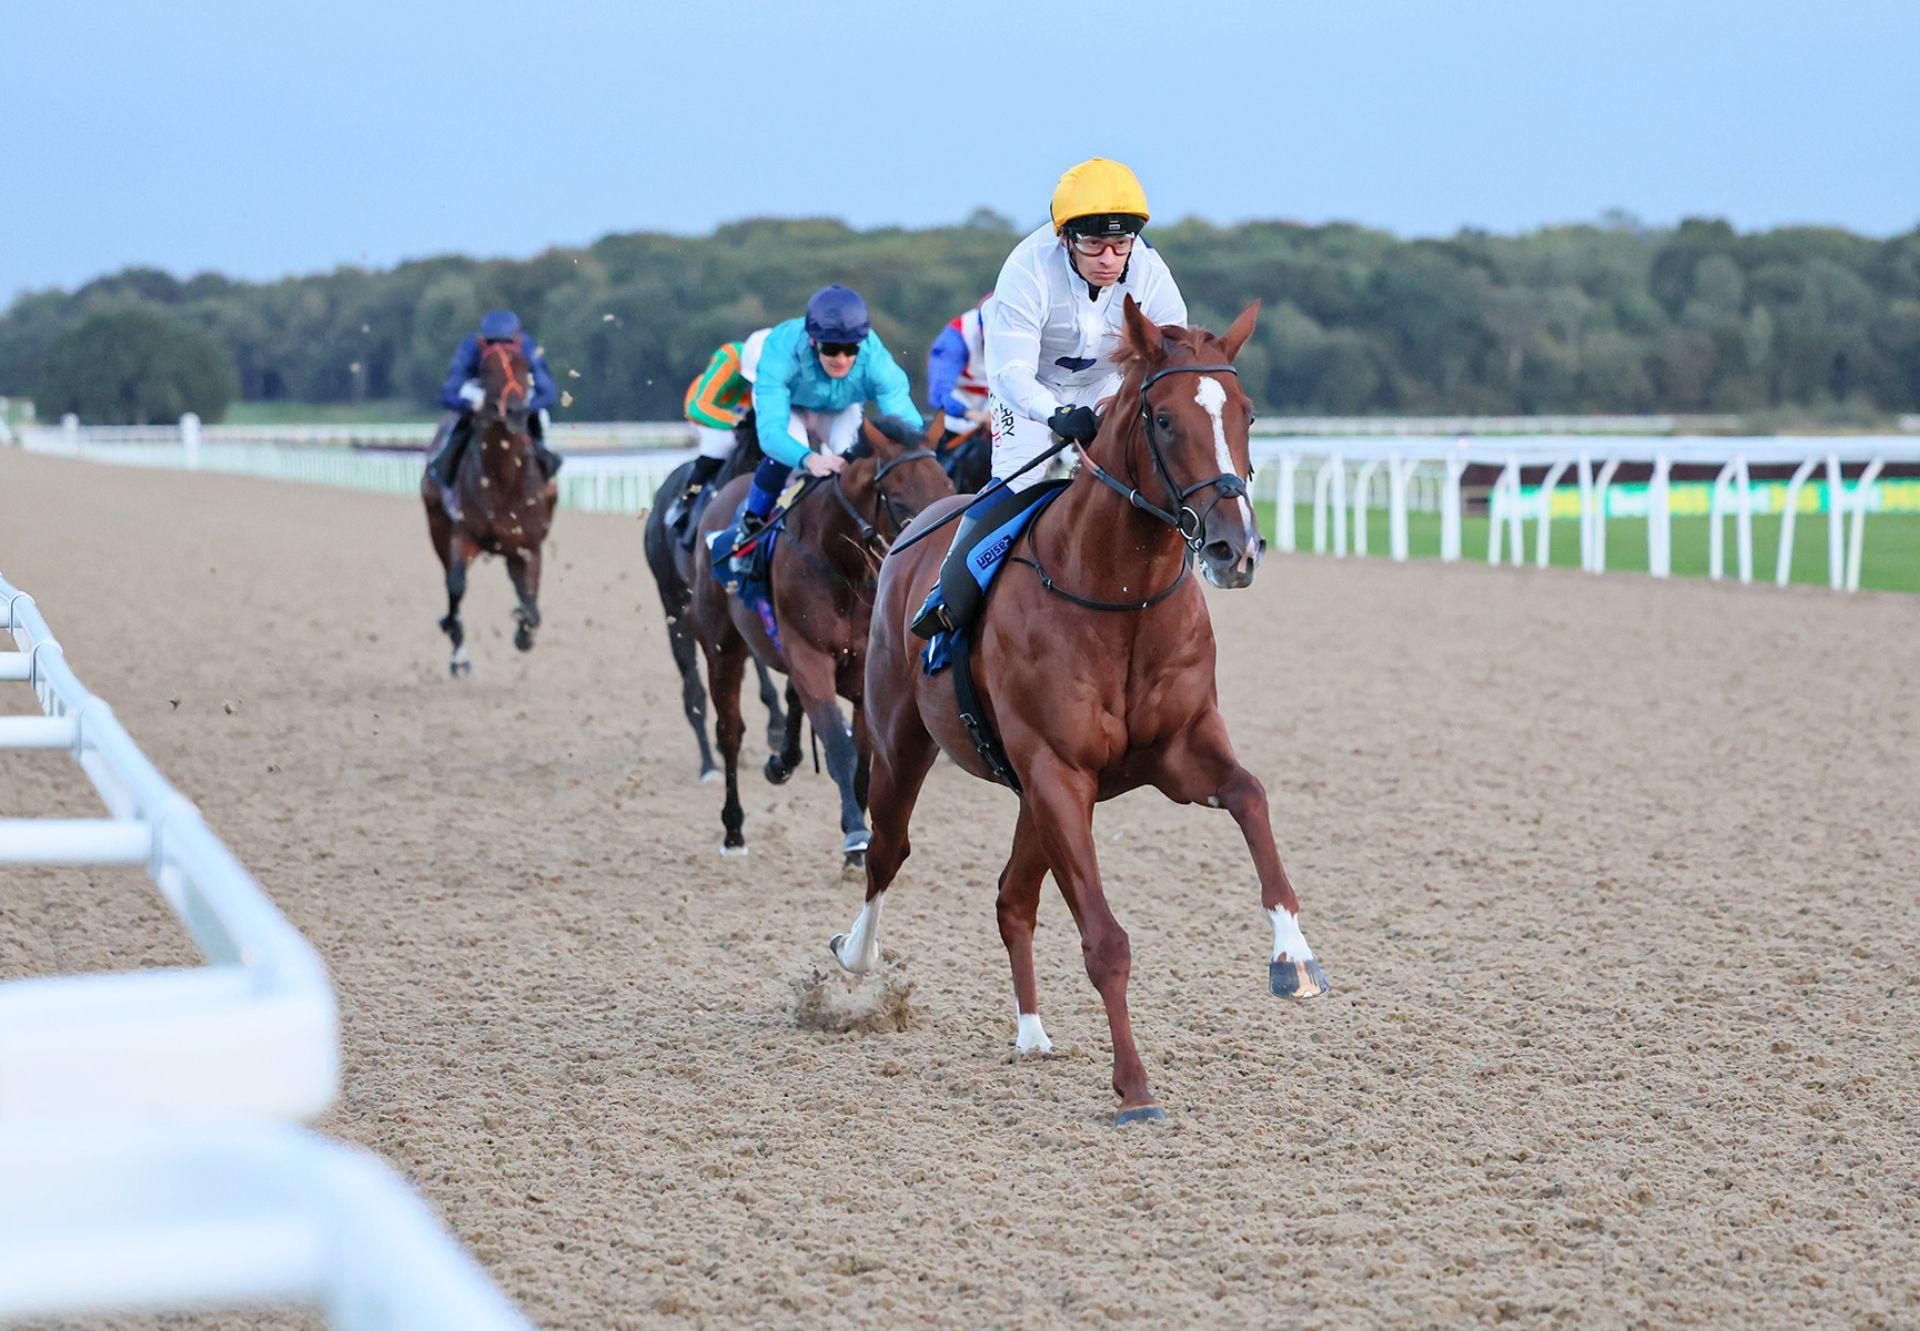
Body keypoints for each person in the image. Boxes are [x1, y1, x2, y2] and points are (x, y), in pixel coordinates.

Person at [911, 158, 1188, 637]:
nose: (1109, 258)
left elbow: (1173, 353)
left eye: (1120, 244)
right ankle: (949, 593)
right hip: (1030, 391)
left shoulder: (1149, 271)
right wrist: (1054, 414)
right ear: (1065, 239)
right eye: (1095, 244)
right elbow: (1011, 372)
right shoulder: (1026, 266)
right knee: (1017, 482)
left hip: (1106, 385)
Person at [727, 285, 921, 575]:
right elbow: (771, 435)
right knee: (788, 451)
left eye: (851, 349)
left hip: (838, 407)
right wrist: (810, 460)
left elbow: (907, 423)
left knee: (852, 462)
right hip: (787, 405)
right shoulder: (781, 351)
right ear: (812, 341)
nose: (841, 358)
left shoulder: (876, 361)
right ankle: (751, 526)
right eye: (831, 348)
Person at [427, 309, 561, 489]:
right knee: (462, 421)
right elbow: (449, 393)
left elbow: (548, 393)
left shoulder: (527, 346)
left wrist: (525, 407)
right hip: (483, 394)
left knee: (540, 419)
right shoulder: (470, 346)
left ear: (518, 340)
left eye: (507, 343)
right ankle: (443, 473)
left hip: (516, 397)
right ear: (482, 342)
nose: (500, 348)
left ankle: (544, 475)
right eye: (492, 343)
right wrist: (470, 405)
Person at [664, 327, 771, 531]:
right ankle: (684, 501)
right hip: (707, 410)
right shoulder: (731, 357)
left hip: (745, 411)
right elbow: (699, 406)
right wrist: (735, 421)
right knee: (723, 443)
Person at [926, 294, 991, 435]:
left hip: (999, 399)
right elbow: (939, 394)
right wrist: (972, 415)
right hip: (963, 404)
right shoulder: (956, 338)